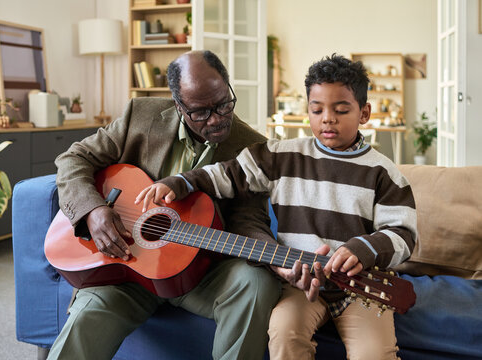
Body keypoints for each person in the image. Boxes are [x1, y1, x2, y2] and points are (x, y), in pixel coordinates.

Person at [136, 54, 418, 360]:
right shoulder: (281, 155)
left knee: (375, 355)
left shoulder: (384, 172)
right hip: (300, 286)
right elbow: (227, 174)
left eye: (341, 110)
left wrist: (362, 249)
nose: (328, 118)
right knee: (283, 337)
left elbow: (403, 233)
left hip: (360, 289)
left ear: (364, 113)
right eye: (317, 109)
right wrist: (179, 183)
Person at [49, 50, 281, 360]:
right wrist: (93, 210)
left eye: (224, 104)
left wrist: (276, 257)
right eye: (200, 112)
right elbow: (74, 158)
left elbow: (249, 219)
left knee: (257, 282)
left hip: (203, 272)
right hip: (128, 265)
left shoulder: (251, 147)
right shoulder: (140, 115)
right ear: (178, 105)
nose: (216, 119)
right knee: (85, 318)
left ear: (227, 86)